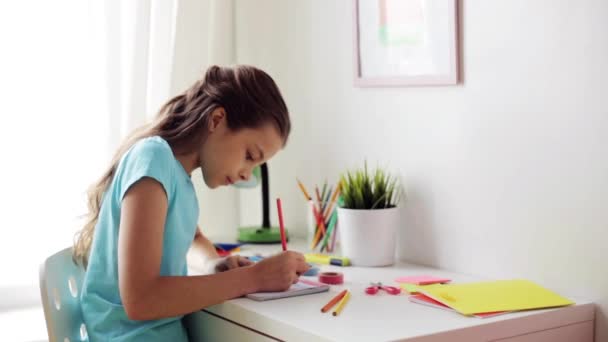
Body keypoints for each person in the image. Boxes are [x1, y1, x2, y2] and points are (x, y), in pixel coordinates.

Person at [73, 65, 310, 341]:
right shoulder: (153, 160)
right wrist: (255, 278)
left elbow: (193, 236)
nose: (248, 173)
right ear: (217, 119)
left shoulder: (179, 178)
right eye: (249, 155)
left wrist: (213, 263)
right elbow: (141, 299)